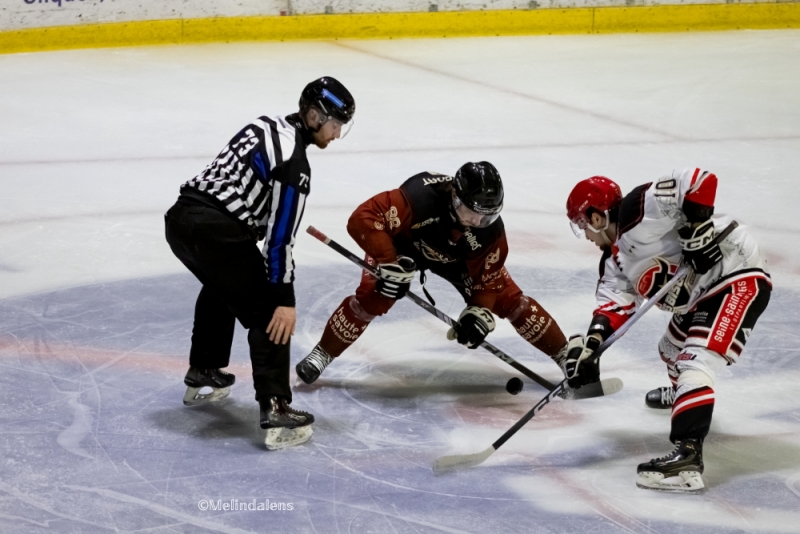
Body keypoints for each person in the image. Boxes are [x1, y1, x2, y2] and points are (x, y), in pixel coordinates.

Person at [164, 76, 355, 449]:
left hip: (181, 220)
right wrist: (283, 299)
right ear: (314, 116)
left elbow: (231, 181)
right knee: (269, 311)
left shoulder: (265, 124)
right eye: (335, 125)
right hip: (215, 230)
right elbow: (279, 241)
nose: (336, 134)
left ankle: (204, 369)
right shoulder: (295, 164)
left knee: (223, 286)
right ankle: (276, 408)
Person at [564, 170, 771, 492]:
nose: (586, 235)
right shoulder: (614, 263)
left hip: (736, 274)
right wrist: (592, 347)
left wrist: (697, 227)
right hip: (703, 292)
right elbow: (612, 308)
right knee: (671, 350)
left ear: (595, 216)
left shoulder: (638, 209)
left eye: (582, 225)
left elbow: (701, 180)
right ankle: (686, 396)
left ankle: (688, 452)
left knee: (694, 362)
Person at [295, 161, 568, 385]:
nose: (476, 222)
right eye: (471, 212)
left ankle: (565, 355)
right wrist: (388, 263)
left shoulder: (490, 234)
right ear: (454, 195)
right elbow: (362, 219)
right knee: (373, 297)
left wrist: (478, 312)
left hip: (458, 262)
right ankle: (322, 353)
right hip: (402, 247)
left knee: (510, 301)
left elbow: (488, 281)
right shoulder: (419, 196)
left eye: (486, 217)